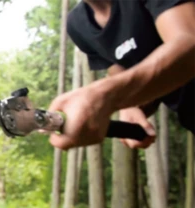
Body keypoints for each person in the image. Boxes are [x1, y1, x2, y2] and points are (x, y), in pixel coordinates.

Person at [47, 0, 195, 150]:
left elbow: (189, 44)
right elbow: (130, 83)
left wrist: (106, 95)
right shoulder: (77, 25)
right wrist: (130, 109)